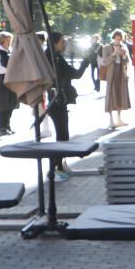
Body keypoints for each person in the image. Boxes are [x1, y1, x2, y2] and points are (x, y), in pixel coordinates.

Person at [46, 33, 89, 168]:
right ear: (54, 44)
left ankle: (59, 165)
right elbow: (76, 74)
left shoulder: (51, 56)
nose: (64, 44)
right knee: (63, 135)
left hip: (55, 100)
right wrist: (85, 62)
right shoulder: (55, 59)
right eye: (62, 42)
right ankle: (56, 167)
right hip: (57, 101)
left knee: (62, 135)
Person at [100, 29, 132, 128]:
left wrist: (123, 55)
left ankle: (119, 118)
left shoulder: (123, 47)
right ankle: (111, 120)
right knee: (111, 95)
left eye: (119, 39)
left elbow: (127, 61)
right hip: (111, 74)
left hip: (121, 73)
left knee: (120, 94)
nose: (118, 40)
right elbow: (104, 61)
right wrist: (114, 53)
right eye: (116, 38)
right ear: (113, 38)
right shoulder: (106, 48)